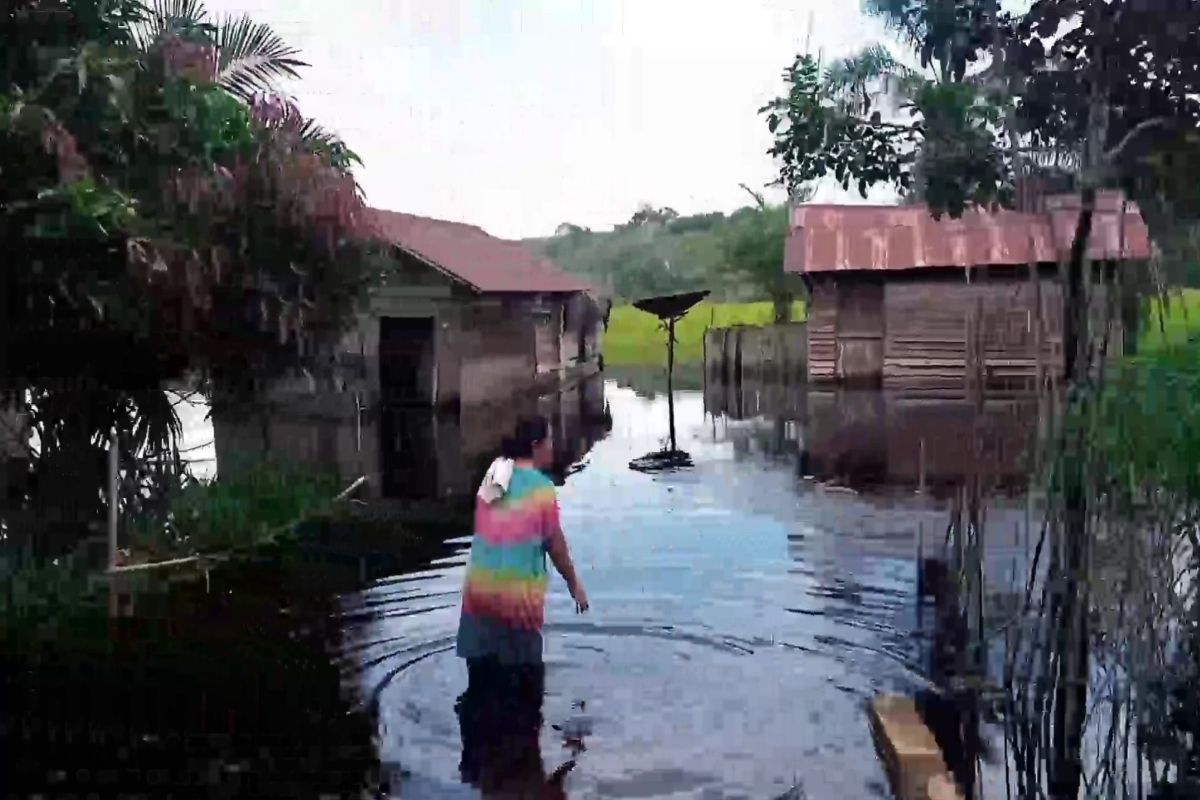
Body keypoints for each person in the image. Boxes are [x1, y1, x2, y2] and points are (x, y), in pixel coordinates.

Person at [455, 415, 588, 795]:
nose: (553, 448)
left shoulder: (496, 471)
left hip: (478, 598)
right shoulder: (543, 490)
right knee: (524, 696)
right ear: (535, 446)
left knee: (480, 687)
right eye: (549, 441)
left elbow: (487, 518)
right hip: (516, 604)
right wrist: (574, 582)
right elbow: (555, 544)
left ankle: (480, 767)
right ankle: (518, 762)